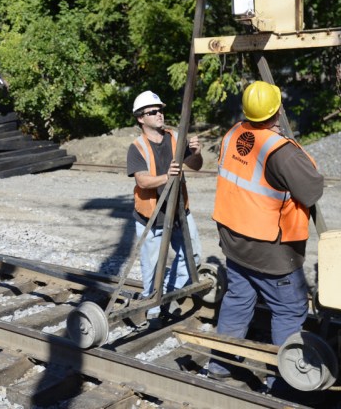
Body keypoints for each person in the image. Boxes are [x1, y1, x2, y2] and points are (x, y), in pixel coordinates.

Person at [206, 81, 324, 394]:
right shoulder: (279, 150)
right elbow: (312, 190)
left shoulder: (233, 134)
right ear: (277, 110)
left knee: (238, 300)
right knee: (288, 311)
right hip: (271, 251)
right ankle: (283, 382)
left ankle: (220, 364)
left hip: (234, 242)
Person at [126, 90, 203, 321]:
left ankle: (167, 293)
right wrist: (166, 177)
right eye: (153, 111)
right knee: (152, 268)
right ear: (141, 118)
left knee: (193, 258)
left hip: (180, 211)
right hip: (152, 216)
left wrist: (196, 153)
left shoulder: (175, 137)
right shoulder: (137, 147)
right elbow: (142, 180)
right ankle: (152, 310)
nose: (159, 114)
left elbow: (196, 166)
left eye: (160, 110)